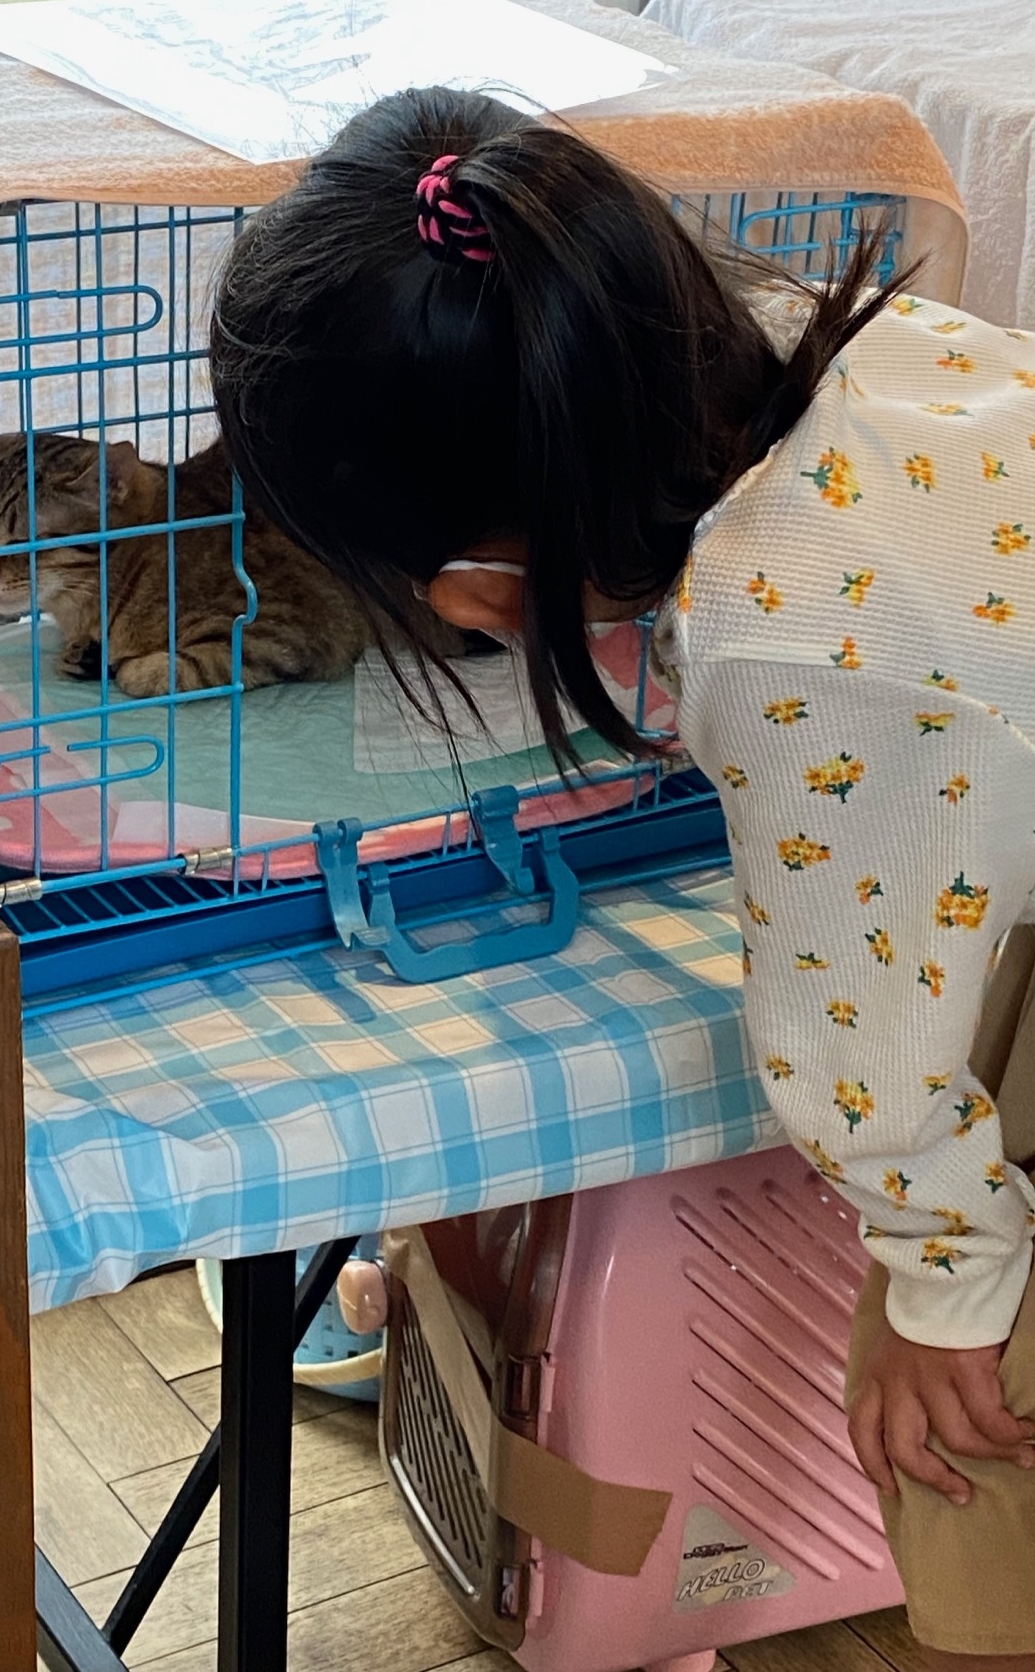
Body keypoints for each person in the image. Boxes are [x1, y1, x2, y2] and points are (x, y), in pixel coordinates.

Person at [210, 86, 1035, 1667]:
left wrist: (947, 1284)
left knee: (959, 1432)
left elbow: (857, 1046)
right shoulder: (837, 346)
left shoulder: (788, 644)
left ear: (475, 592)